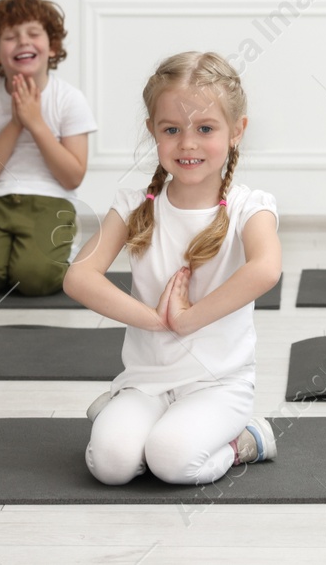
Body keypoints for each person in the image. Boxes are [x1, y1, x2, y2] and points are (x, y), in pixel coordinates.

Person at [65, 51, 281, 484]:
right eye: (172, 129)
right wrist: (154, 319)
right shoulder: (133, 205)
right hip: (147, 381)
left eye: (205, 128)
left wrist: (186, 319)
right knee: (110, 465)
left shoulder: (248, 207)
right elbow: (79, 277)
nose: (188, 143)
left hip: (218, 386)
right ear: (153, 131)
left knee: (171, 461)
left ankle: (245, 437)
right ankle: (124, 413)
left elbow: (265, 269)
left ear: (237, 131)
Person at [0, 0, 95, 296]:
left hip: (51, 202)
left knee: (35, 280)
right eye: (10, 37)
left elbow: (72, 176)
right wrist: (16, 122)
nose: (22, 42)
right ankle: (6, 259)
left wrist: (35, 122)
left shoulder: (70, 100)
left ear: (52, 46)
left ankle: (58, 255)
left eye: (33, 33)